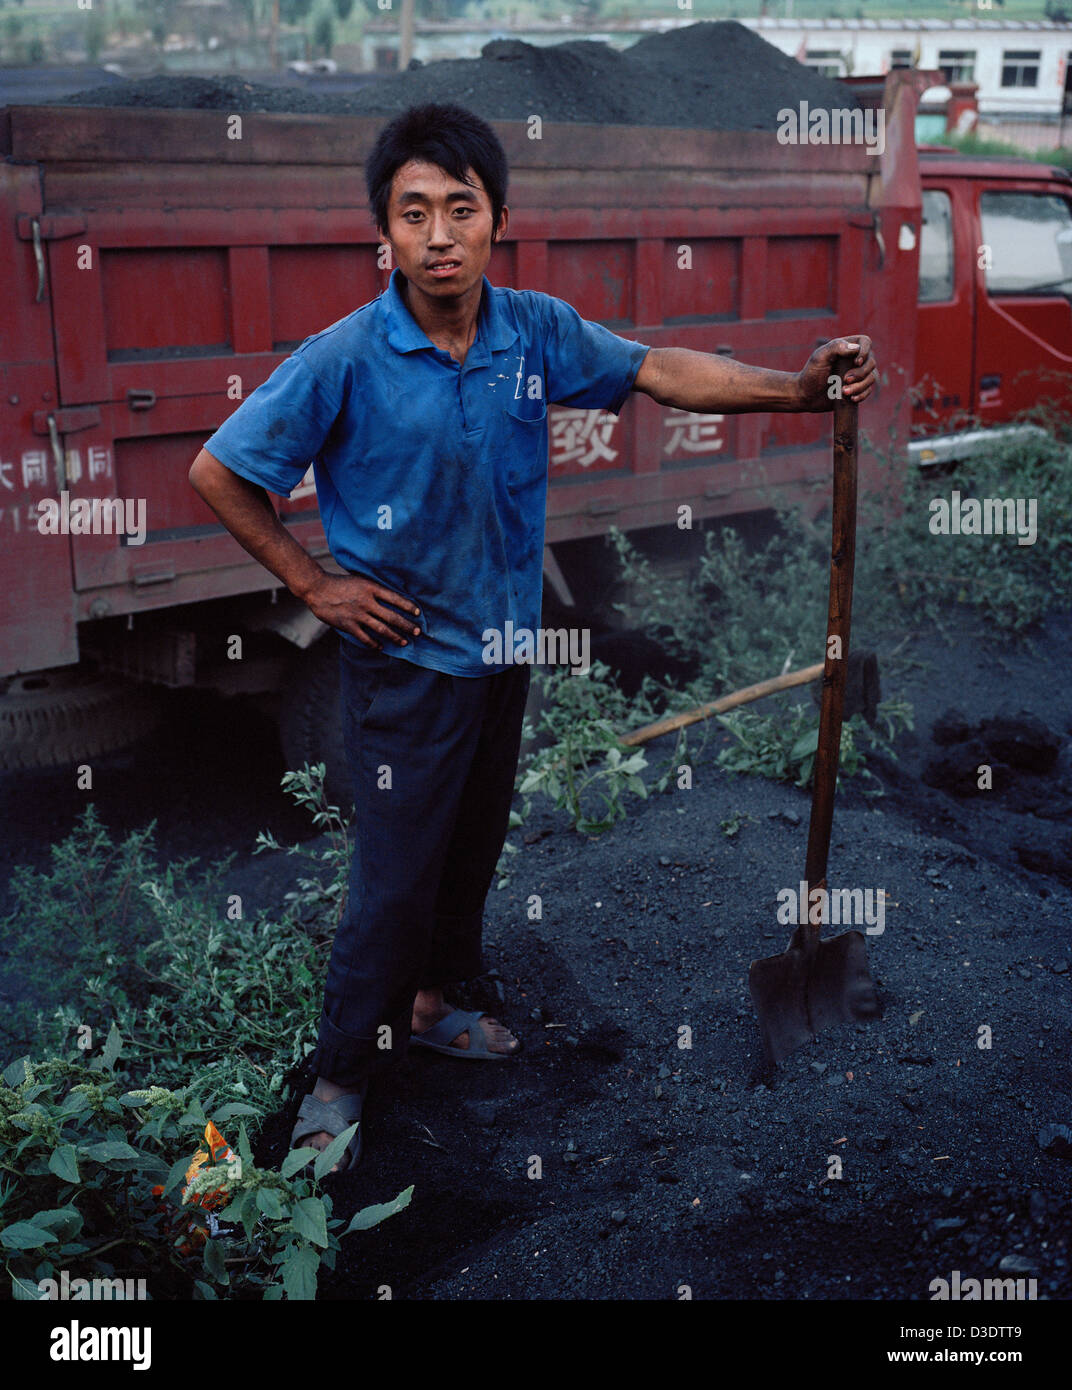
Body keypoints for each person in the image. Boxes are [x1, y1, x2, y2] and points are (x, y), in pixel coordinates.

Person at [188, 101, 877, 1172]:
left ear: (496, 218)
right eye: (413, 213)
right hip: (406, 666)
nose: (439, 234)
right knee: (391, 881)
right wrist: (312, 584)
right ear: (386, 233)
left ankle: (428, 1002)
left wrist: (796, 389)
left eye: (459, 208)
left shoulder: (534, 332)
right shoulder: (346, 357)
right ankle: (338, 1077)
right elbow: (220, 471)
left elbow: (658, 368)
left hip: (499, 655)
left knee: (468, 853)